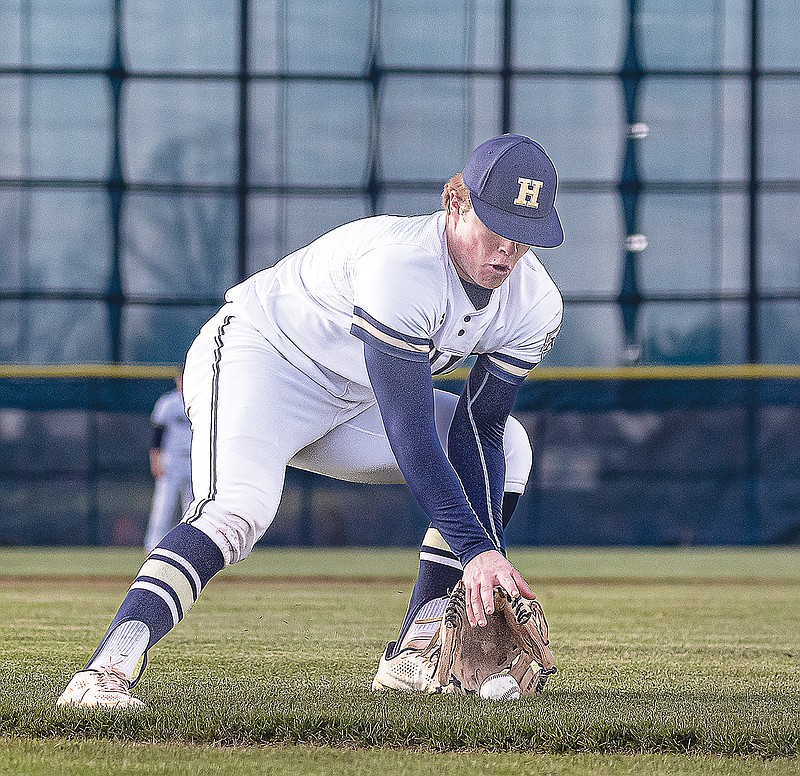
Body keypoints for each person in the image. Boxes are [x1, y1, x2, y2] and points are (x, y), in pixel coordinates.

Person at [57, 133, 564, 708]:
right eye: (494, 229)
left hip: (351, 399)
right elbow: (409, 430)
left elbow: (480, 432)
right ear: (456, 203)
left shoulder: (534, 302)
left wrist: (487, 563)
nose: (505, 252)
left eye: (523, 239)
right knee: (237, 510)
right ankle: (105, 671)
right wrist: (474, 550)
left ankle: (414, 652)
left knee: (514, 447)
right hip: (262, 361)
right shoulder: (403, 266)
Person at [142, 371, 193, 553]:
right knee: (164, 505)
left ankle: (190, 548)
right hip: (171, 460)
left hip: (195, 460)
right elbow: (157, 434)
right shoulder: (168, 402)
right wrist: (155, 460)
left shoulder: (200, 401)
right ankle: (153, 547)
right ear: (177, 380)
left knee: (193, 507)